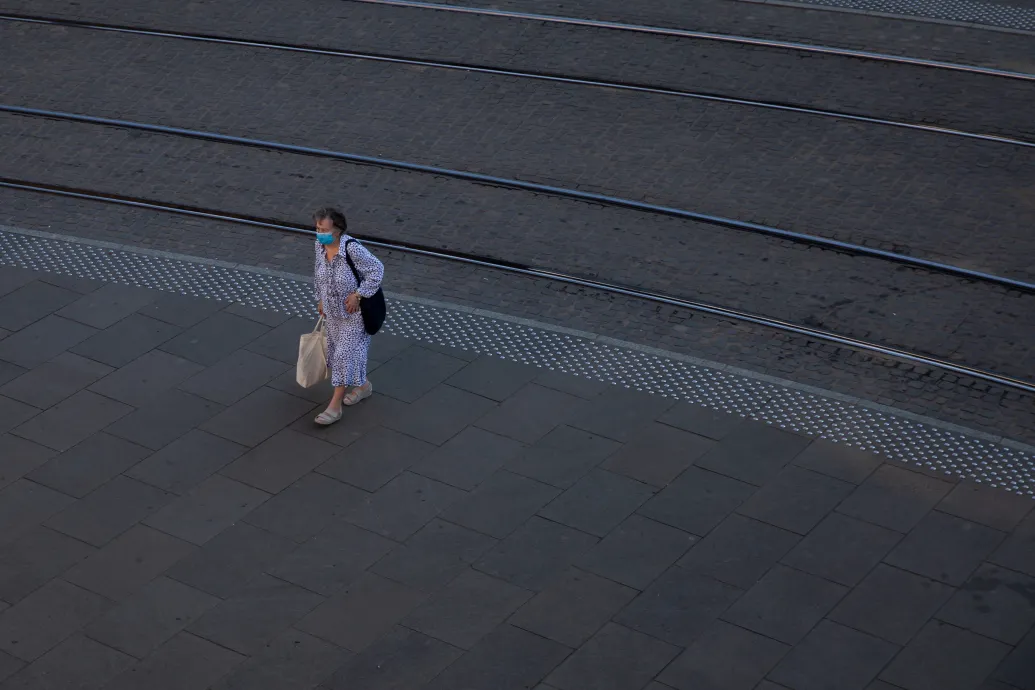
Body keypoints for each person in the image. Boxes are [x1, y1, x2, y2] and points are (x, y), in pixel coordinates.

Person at [312, 207, 384, 425]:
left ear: (338, 230)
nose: (319, 233)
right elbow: (318, 272)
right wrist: (321, 298)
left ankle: (335, 406)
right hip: (333, 313)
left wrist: (358, 295)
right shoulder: (319, 245)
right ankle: (363, 386)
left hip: (355, 315)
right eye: (317, 228)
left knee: (343, 356)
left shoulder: (352, 249)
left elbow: (377, 270)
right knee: (338, 354)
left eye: (324, 229)